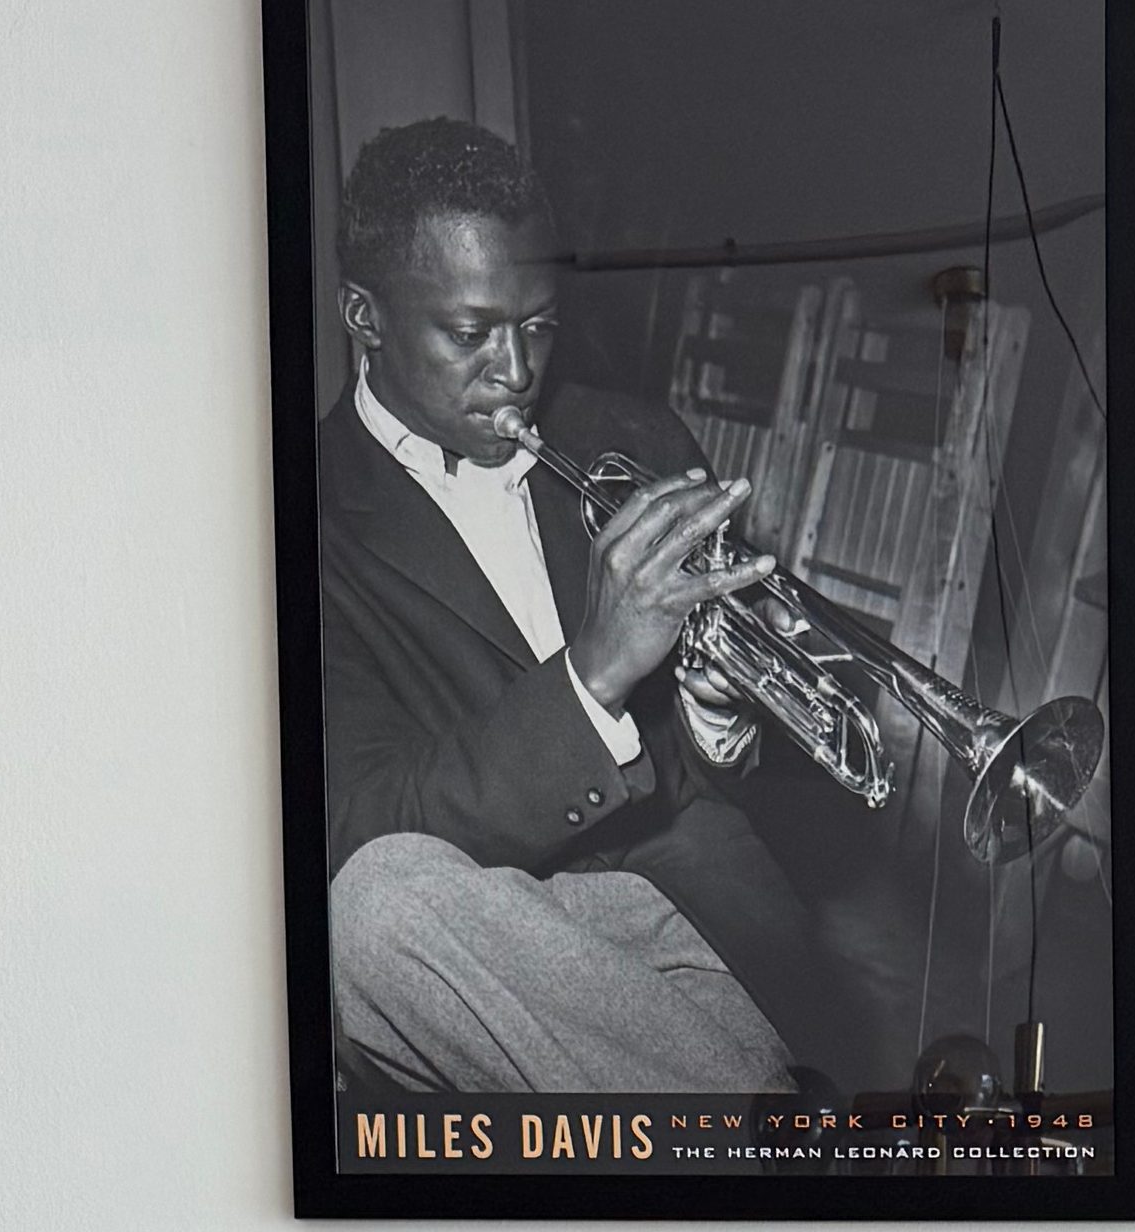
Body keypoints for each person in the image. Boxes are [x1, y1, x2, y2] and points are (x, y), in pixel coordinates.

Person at [314, 116, 832, 1095]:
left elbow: (743, 796)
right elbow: (360, 825)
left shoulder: (626, 434)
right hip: (478, 947)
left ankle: (760, 1135)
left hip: (696, 922)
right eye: (470, 334)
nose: (516, 372)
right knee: (374, 909)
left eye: (538, 324)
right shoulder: (300, 523)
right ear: (364, 316)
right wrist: (594, 675)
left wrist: (720, 721)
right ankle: (780, 1139)